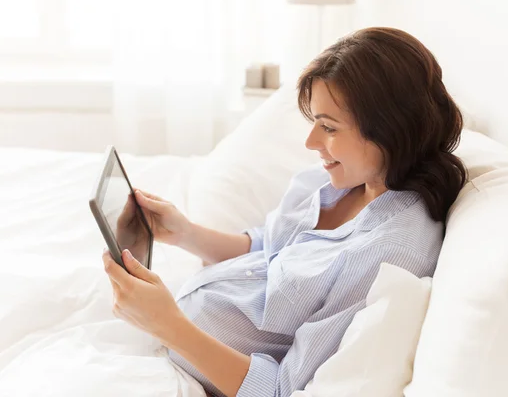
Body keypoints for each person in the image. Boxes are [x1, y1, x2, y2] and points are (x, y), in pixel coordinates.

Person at [103, 27, 467, 397]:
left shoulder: (388, 253)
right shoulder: (341, 182)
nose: (310, 142)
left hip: (186, 365)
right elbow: (268, 247)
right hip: (166, 334)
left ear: (389, 130)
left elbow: (280, 389)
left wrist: (169, 325)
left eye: (328, 127)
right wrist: (185, 234)